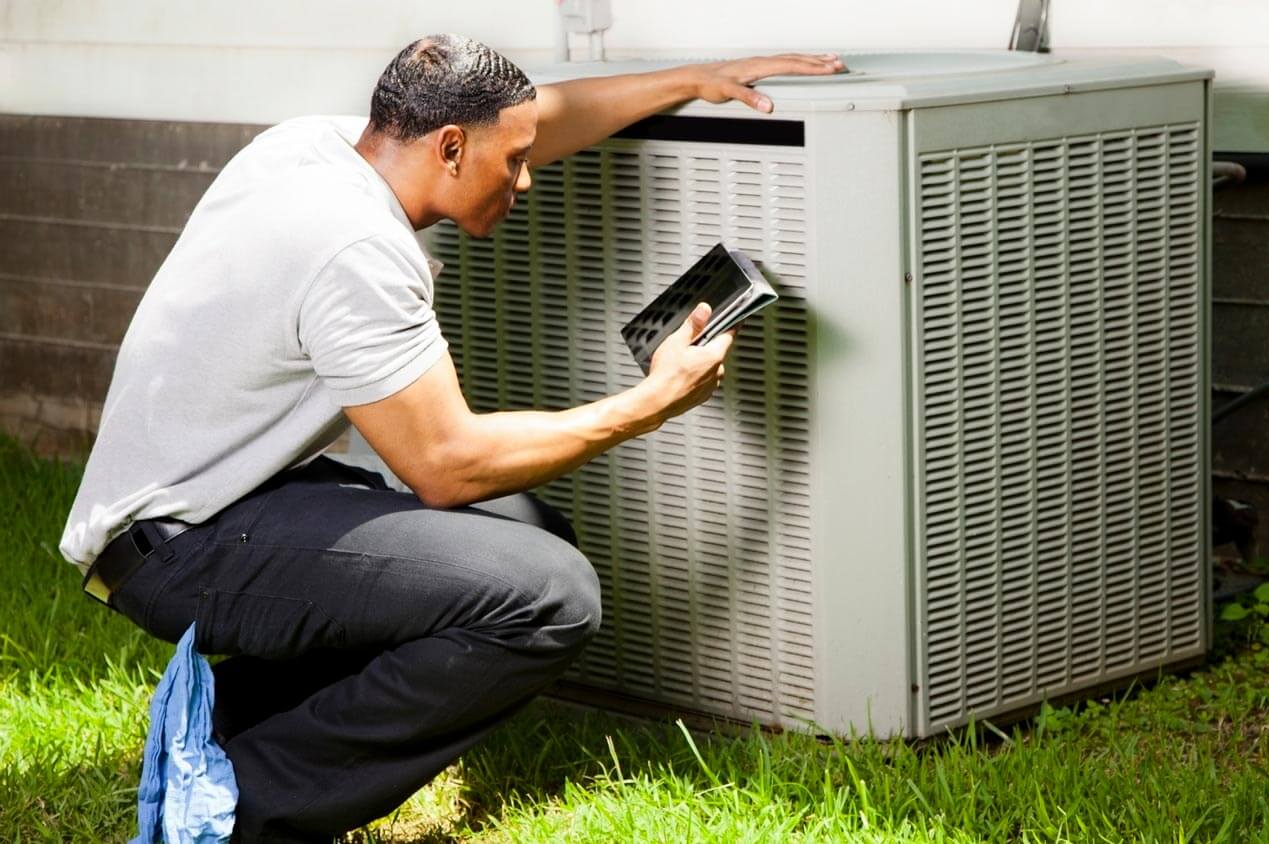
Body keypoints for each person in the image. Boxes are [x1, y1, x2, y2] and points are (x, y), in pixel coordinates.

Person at [59, 34, 843, 842]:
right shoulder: (357, 249)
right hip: (180, 549)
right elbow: (447, 467)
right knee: (547, 595)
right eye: (515, 163)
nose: (528, 178)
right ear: (453, 147)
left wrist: (693, 79)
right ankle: (235, 809)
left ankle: (218, 735)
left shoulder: (312, 148)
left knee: (524, 536)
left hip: (210, 501)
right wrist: (649, 405)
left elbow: (544, 118)